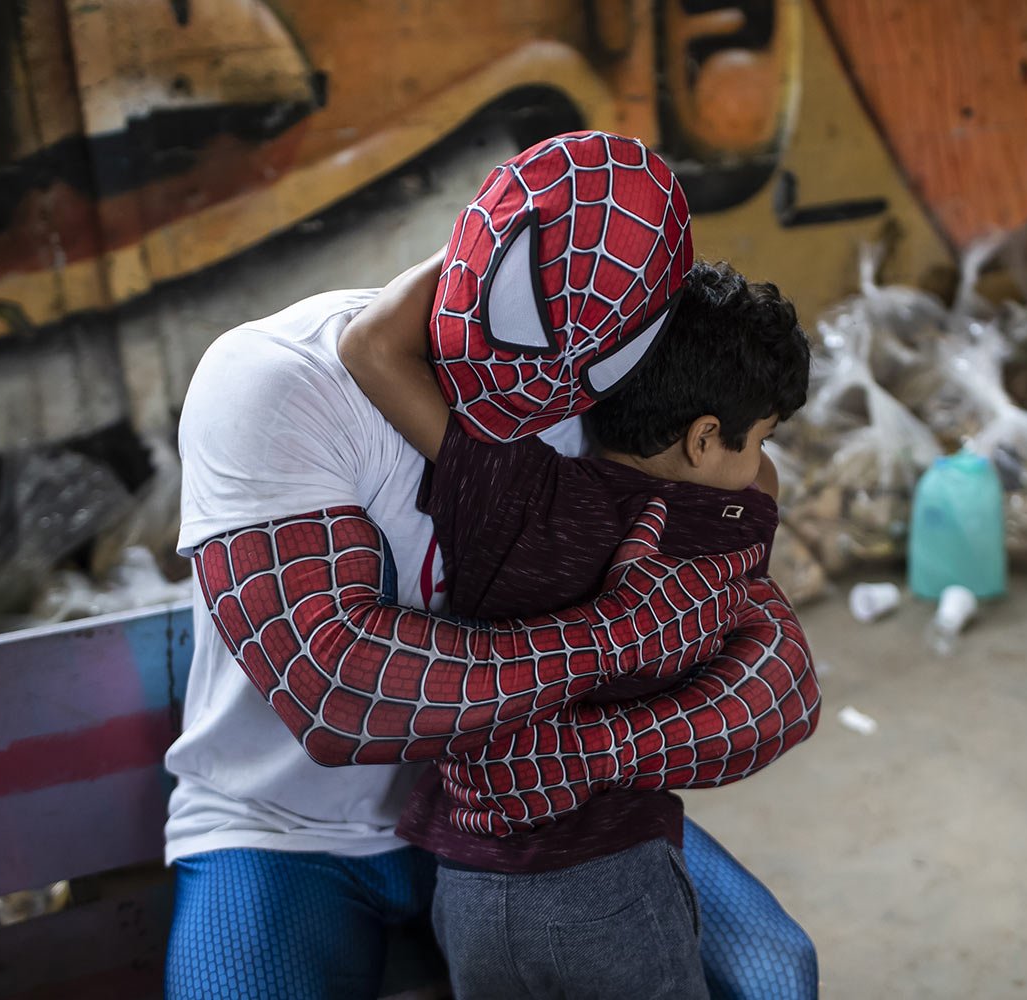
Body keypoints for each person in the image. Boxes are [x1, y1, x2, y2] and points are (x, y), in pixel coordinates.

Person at [164, 131, 820, 999]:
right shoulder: (277, 380)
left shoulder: (610, 389)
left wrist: (595, 750)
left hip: (536, 817)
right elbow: (344, 693)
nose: (529, 385)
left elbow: (771, 661)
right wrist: (609, 639)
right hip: (283, 827)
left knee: (778, 976)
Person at [345, 253, 816, 999]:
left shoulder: (518, 492)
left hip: (468, 886)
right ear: (701, 440)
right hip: (612, 886)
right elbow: (759, 482)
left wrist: (510, 236)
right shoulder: (729, 524)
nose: (761, 462)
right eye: (758, 437)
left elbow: (370, 345)